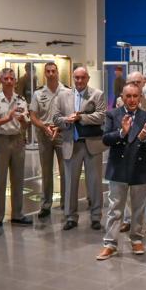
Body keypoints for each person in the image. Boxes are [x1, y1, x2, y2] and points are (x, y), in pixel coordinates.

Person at [97, 83, 146, 260]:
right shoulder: (112, 114)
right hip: (119, 168)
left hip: (140, 168)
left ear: (140, 97)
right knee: (115, 209)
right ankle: (110, 244)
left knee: (139, 209)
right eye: (128, 96)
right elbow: (106, 139)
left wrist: (145, 138)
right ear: (122, 97)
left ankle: (137, 239)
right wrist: (121, 133)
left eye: (135, 96)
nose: (132, 100)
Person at [51, 66, 107, 231]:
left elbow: (101, 116)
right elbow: (55, 118)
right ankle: (70, 217)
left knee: (95, 183)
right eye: (77, 78)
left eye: (83, 78)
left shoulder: (97, 95)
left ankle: (96, 217)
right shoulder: (62, 96)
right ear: (73, 79)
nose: (80, 81)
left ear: (88, 79)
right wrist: (67, 120)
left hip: (92, 144)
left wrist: (81, 117)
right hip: (71, 144)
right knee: (70, 182)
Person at [0, 68, 32, 229]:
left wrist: (22, 121)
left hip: (18, 139)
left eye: (12, 78)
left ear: (15, 81)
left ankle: (18, 214)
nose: (9, 81)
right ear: (0, 81)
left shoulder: (20, 99)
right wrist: (8, 117)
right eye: (5, 79)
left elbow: (27, 122)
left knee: (18, 178)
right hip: (1, 140)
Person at [29, 63, 70, 218]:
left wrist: (61, 126)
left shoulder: (67, 91)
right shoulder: (38, 94)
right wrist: (44, 127)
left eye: (54, 71)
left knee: (65, 171)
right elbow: (33, 115)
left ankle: (66, 203)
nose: (51, 74)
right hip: (44, 134)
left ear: (58, 72)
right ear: (44, 73)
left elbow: (71, 112)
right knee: (46, 172)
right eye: (48, 71)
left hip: (62, 134)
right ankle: (46, 205)